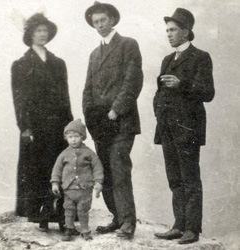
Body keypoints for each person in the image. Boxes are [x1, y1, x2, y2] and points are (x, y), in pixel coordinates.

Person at [153, 8, 215, 244]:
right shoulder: (167, 60)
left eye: (173, 30)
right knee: (174, 179)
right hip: (167, 128)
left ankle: (192, 229)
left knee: (190, 179)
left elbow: (208, 93)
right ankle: (178, 226)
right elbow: (158, 95)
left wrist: (181, 84)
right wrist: (159, 114)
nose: (168, 34)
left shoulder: (200, 57)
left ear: (186, 32)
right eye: (167, 30)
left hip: (188, 129)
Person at [82, 1, 143, 239]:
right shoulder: (94, 54)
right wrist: (90, 115)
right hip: (100, 124)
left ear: (113, 20)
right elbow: (87, 88)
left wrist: (116, 109)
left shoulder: (129, 44)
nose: (99, 25)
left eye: (103, 20)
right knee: (104, 170)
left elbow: (133, 80)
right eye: (95, 22)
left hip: (121, 121)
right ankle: (117, 217)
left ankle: (128, 222)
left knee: (119, 169)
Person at [11, 13, 73, 232]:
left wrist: (70, 126)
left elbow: (65, 97)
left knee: (58, 168)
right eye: (38, 31)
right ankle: (39, 214)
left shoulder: (58, 63)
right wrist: (25, 127)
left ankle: (60, 214)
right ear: (30, 35)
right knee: (37, 168)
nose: (42, 35)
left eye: (45, 31)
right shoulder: (20, 64)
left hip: (57, 126)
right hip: (35, 127)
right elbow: (19, 100)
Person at [51, 119, 103, 241]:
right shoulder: (64, 154)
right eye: (70, 137)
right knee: (68, 210)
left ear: (82, 137)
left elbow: (97, 167)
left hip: (84, 190)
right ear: (66, 138)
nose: (73, 140)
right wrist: (55, 183)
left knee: (83, 210)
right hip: (69, 190)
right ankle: (69, 229)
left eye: (76, 136)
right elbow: (57, 169)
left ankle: (85, 230)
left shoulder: (89, 153)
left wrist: (99, 182)